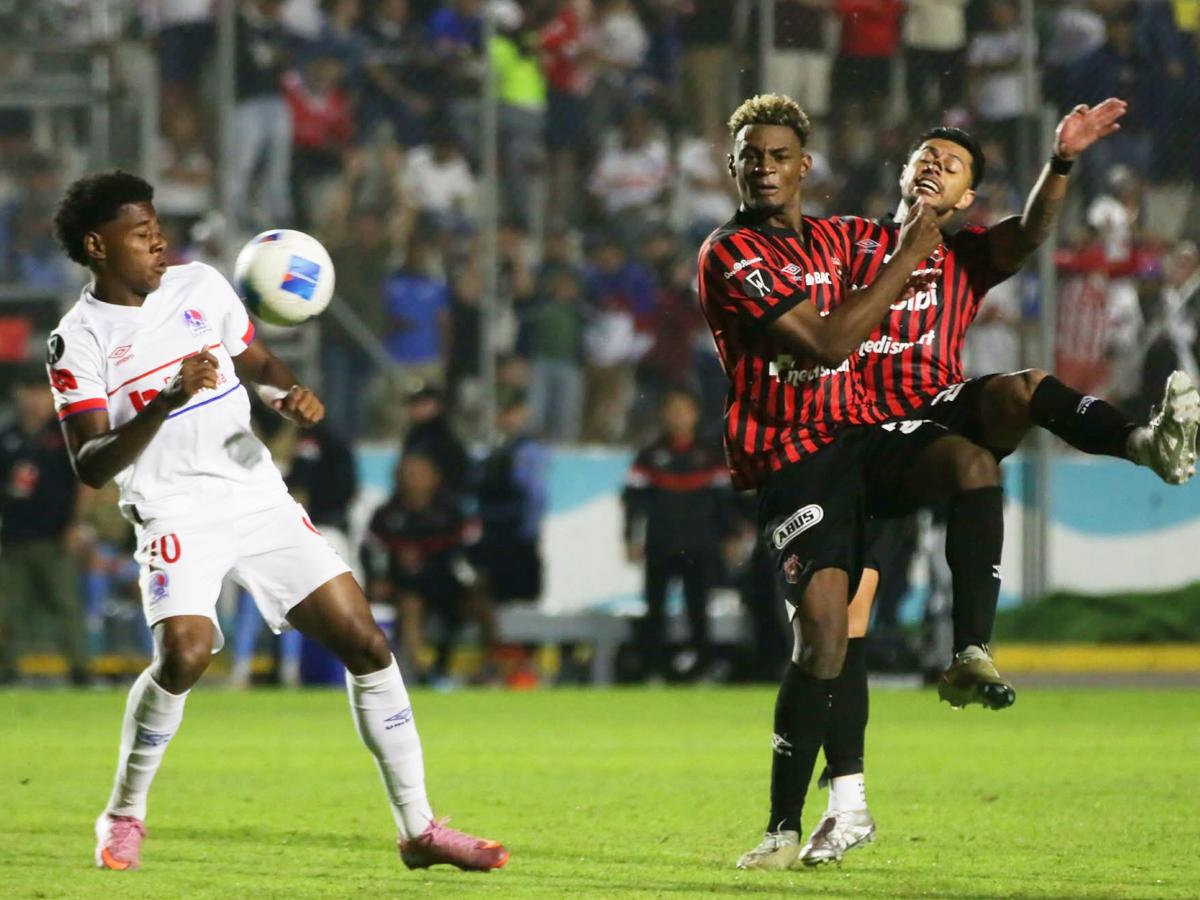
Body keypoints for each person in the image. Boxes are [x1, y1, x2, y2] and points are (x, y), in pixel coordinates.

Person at [47, 171, 507, 872]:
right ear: (96, 246)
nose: (159, 243)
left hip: (255, 492)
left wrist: (283, 389)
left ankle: (419, 830)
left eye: (158, 228)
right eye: (141, 235)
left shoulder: (200, 286)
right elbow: (90, 462)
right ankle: (123, 813)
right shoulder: (77, 342)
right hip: (173, 506)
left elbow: (251, 355)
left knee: (365, 640)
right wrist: (166, 400)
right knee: (186, 655)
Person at [800, 104, 1199, 867]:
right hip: (858, 438)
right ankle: (846, 804)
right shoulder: (853, 243)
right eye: (924, 157)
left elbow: (1036, 230)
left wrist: (1064, 161)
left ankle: (1143, 443)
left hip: (932, 413)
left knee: (1021, 391)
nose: (932, 166)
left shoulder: (966, 256)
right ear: (902, 173)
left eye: (950, 166)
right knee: (838, 632)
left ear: (966, 203)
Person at [693, 93, 949, 871]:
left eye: (779, 156)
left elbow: (947, 243)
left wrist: (1050, 173)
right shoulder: (729, 254)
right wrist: (910, 251)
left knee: (848, 628)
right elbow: (832, 340)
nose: (764, 169)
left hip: (862, 448)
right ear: (730, 166)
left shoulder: (840, 238)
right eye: (751, 157)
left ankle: (848, 808)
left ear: (805, 165)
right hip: (792, 456)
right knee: (823, 632)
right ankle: (781, 820)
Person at [621, 388, 731, 682]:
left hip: (700, 544)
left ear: (695, 414)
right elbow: (633, 502)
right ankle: (653, 669)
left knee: (699, 609)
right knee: (654, 609)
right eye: (672, 410)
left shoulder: (711, 455)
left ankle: (703, 669)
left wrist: (730, 536)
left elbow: (724, 501)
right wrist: (630, 538)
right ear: (663, 414)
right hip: (660, 542)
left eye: (684, 410)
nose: (678, 416)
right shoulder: (648, 455)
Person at [364, 454, 496, 685]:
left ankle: (489, 669)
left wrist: (474, 576)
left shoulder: (451, 513)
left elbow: (467, 552)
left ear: (434, 478)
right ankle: (422, 673)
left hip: (444, 584)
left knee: (481, 605)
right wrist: (378, 579)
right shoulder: (386, 515)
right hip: (404, 586)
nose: (411, 479)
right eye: (406, 473)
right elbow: (372, 552)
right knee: (410, 605)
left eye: (417, 473)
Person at [0, 367, 92, 685]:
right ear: (18, 396)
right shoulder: (7, 437)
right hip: (12, 536)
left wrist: (75, 525)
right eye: (28, 392)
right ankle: (7, 670)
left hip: (55, 536)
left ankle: (81, 669)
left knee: (66, 604)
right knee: (8, 608)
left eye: (40, 392)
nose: (33, 400)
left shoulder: (63, 435)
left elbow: (84, 481)